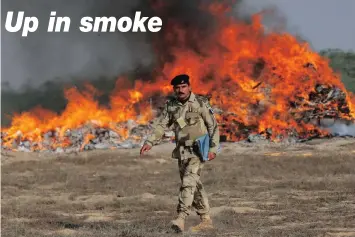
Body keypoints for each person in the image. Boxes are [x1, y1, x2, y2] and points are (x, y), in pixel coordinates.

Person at [140, 74, 220, 233]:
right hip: (182, 151)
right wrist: (149, 142)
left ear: (189, 87)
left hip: (198, 151)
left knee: (188, 183)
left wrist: (213, 148)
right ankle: (206, 219)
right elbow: (161, 126)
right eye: (177, 87)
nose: (180, 90)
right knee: (194, 185)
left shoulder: (200, 103)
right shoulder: (172, 106)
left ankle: (181, 218)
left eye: (183, 87)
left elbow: (213, 126)